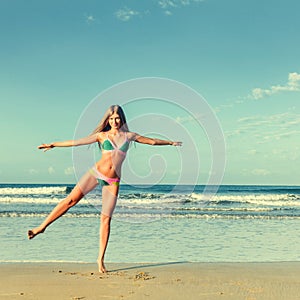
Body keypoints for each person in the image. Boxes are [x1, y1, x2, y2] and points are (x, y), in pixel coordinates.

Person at [28, 105, 182, 273]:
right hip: (96, 173)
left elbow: (151, 141)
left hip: (113, 181)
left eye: (117, 118)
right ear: (107, 120)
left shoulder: (129, 136)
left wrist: (170, 142)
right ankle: (41, 227)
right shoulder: (101, 136)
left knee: (105, 219)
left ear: (122, 119)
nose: (114, 121)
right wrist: (54, 144)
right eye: (111, 118)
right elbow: (76, 142)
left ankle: (100, 260)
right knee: (70, 200)